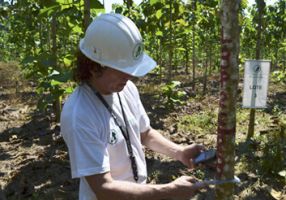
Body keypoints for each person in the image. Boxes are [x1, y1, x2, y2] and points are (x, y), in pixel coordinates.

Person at [60, 13, 207, 200]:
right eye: (122, 70)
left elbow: (144, 133)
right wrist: (169, 191)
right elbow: (104, 188)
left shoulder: (126, 88)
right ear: (94, 66)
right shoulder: (79, 114)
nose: (129, 77)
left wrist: (180, 152)